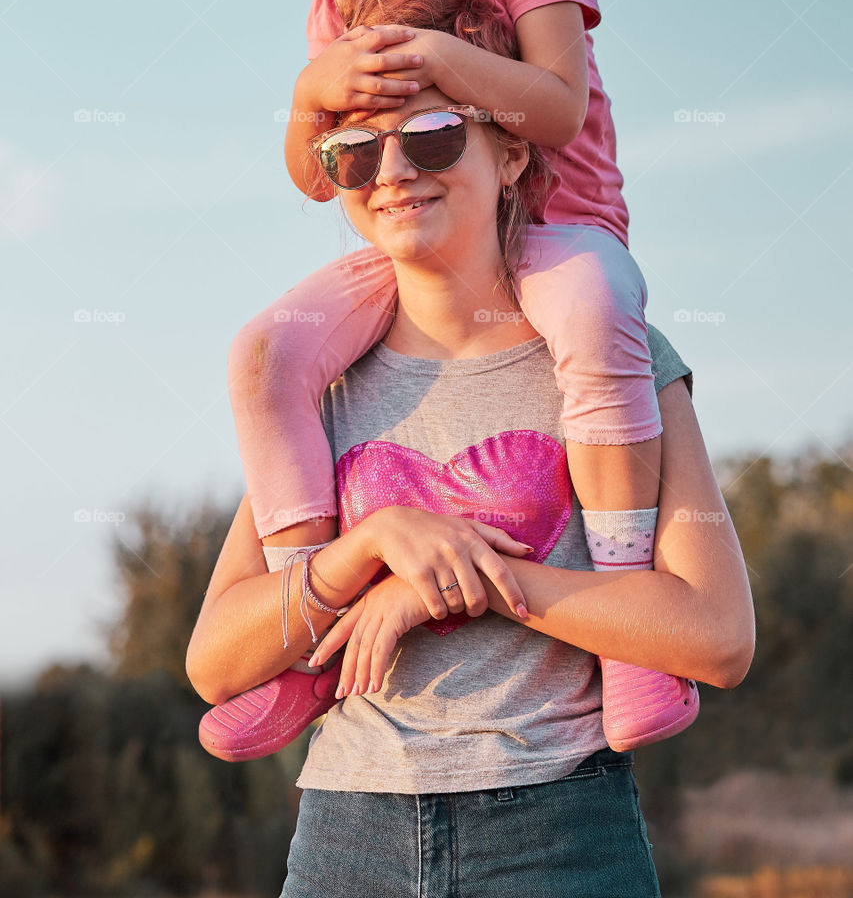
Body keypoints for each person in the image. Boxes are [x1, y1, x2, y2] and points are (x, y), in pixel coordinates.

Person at [218, 0, 696, 757]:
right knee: (266, 352)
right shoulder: (340, 2)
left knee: (597, 308)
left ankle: (627, 614)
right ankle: (306, 630)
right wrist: (310, 97)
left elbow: (556, 111)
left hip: (558, 233)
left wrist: (438, 58)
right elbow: (316, 174)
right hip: (420, 244)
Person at [186, 70, 755, 898]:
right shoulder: (320, 382)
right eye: (354, 152)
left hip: (558, 836)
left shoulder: (614, 354)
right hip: (347, 837)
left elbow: (716, 637)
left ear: (511, 153)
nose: (391, 172)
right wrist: (370, 548)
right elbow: (216, 664)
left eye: (432, 137)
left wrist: (459, 581)